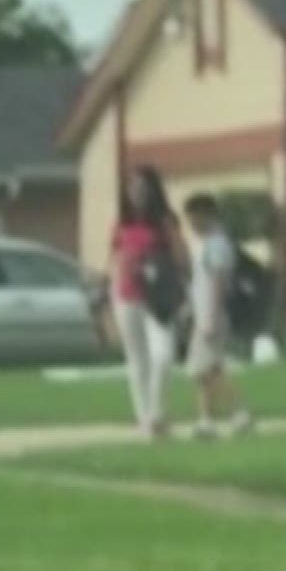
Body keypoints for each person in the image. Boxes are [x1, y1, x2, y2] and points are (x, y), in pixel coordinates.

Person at [108, 165, 190, 440]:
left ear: (154, 191)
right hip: (127, 296)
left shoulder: (165, 221)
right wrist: (109, 298)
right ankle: (145, 418)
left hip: (159, 297)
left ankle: (157, 412)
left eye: (143, 188)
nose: (137, 193)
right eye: (132, 188)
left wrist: (182, 294)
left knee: (163, 356)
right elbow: (114, 260)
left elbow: (182, 259)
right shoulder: (122, 223)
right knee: (136, 360)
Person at [181, 194, 255, 439]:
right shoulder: (203, 244)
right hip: (203, 312)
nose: (191, 223)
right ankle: (206, 420)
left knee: (209, 369)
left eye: (194, 218)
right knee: (205, 370)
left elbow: (218, 282)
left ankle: (239, 410)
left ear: (207, 215)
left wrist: (210, 316)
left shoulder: (217, 245)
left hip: (212, 314)